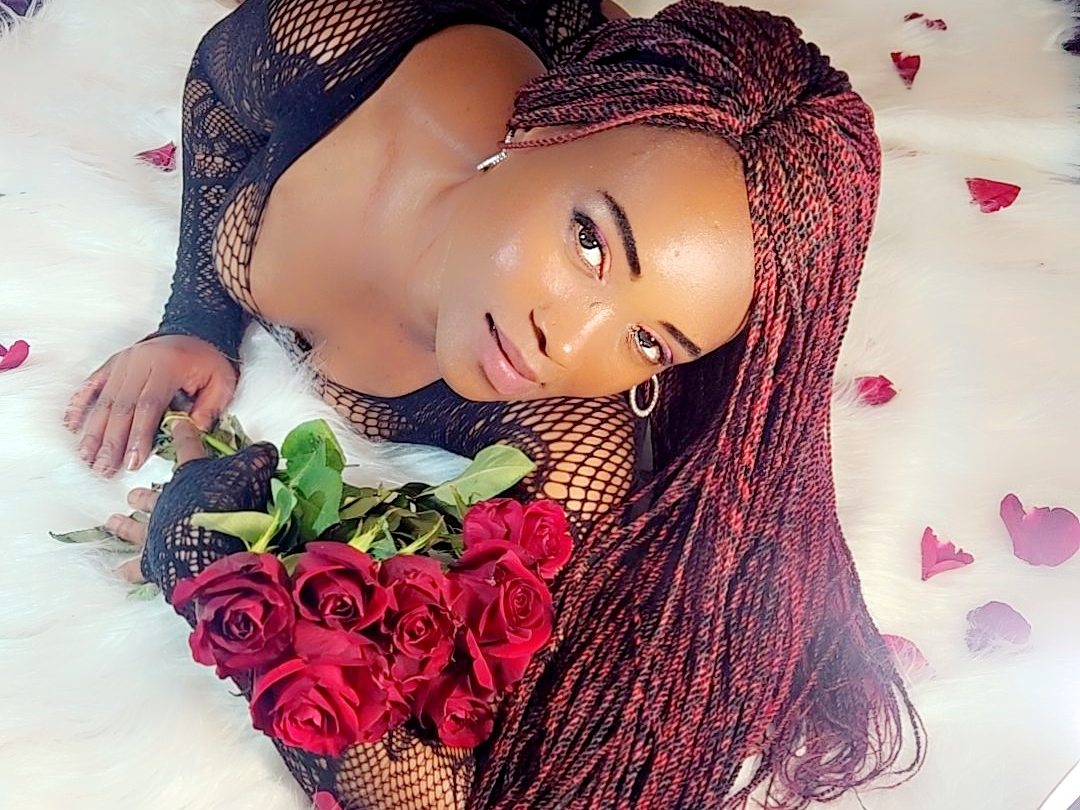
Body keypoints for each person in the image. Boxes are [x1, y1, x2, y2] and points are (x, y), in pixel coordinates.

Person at [65, 0, 926, 807]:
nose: (569, 345)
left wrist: (207, 562)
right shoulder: (341, 45)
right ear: (541, 127)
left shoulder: (572, 441)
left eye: (649, 341)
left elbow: (428, 787)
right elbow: (218, 93)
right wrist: (196, 318)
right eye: (590, 243)